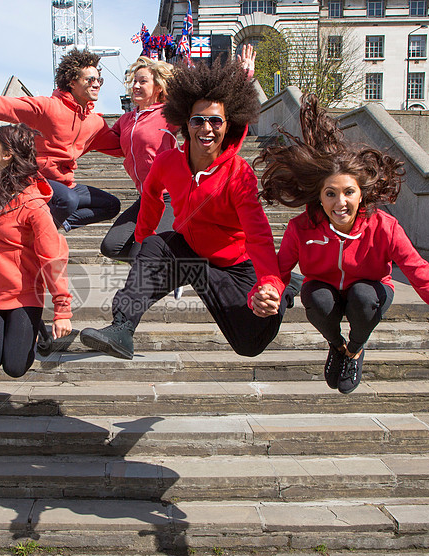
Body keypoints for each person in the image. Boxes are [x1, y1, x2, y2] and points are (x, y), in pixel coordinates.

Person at [257, 94, 429, 394]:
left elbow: (426, 280)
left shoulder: (384, 227)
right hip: (326, 292)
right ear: (319, 198)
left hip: (370, 293)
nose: (340, 202)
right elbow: (278, 273)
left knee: (362, 295)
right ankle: (337, 346)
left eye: (349, 192)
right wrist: (268, 290)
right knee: (314, 294)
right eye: (331, 194)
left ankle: (355, 350)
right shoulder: (302, 228)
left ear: (362, 194)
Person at [79, 59, 286, 360]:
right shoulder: (168, 163)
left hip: (233, 266)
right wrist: (142, 241)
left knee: (249, 345)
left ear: (228, 126)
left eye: (215, 121)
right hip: (189, 249)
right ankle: (122, 328)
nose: (206, 128)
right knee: (153, 245)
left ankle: (288, 288)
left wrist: (270, 282)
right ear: (185, 123)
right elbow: (150, 198)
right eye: (197, 120)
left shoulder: (238, 174)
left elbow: (259, 236)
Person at [0, 49, 122, 231]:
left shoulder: (95, 123)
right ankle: (36, 231)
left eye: (98, 80)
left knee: (110, 204)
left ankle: (50, 227)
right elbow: (2, 105)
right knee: (68, 200)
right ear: (72, 82)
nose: (96, 84)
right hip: (34, 178)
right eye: (89, 80)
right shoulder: (48, 108)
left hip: (64, 184)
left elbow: (124, 146)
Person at [0, 124, 73, 377]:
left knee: (15, 367)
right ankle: (30, 330)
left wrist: (62, 310)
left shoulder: (32, 205)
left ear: (7, 154)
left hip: (24, 295)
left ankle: (36, 331)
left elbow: (53, 258)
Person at [99, 56, 178, 263]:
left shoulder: (169, 114)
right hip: (146, 197)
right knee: (111, 246)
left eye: (143, 81)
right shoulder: (126, 120)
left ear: (158, 87)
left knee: (141, 256)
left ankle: (167, 266)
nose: (136, 86)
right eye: (134, 81)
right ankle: (169, 266)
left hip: (169, 197)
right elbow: (108, 142)